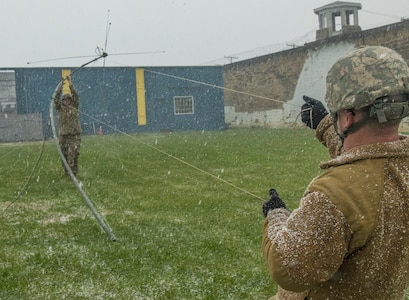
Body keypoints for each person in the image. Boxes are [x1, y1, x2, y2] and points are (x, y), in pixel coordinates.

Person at [262, 45, 409, 299]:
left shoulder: (334, 195)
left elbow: (288, 267)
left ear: (349, 116)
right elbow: (369, 160)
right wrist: (325, 124)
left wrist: (276, 217)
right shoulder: (398, 169)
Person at [54, 75, 82, 176]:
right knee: (64, 155)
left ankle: (73, 173)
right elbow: (56, 98)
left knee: (73, 154)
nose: (67, 101)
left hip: (74, 135)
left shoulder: (75, 106)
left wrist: (70, 84)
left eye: (68, 100)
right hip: (63, 136)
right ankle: (67, 172)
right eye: (65, 100)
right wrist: (60, 86)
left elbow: (75, 95)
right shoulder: (59, 108)